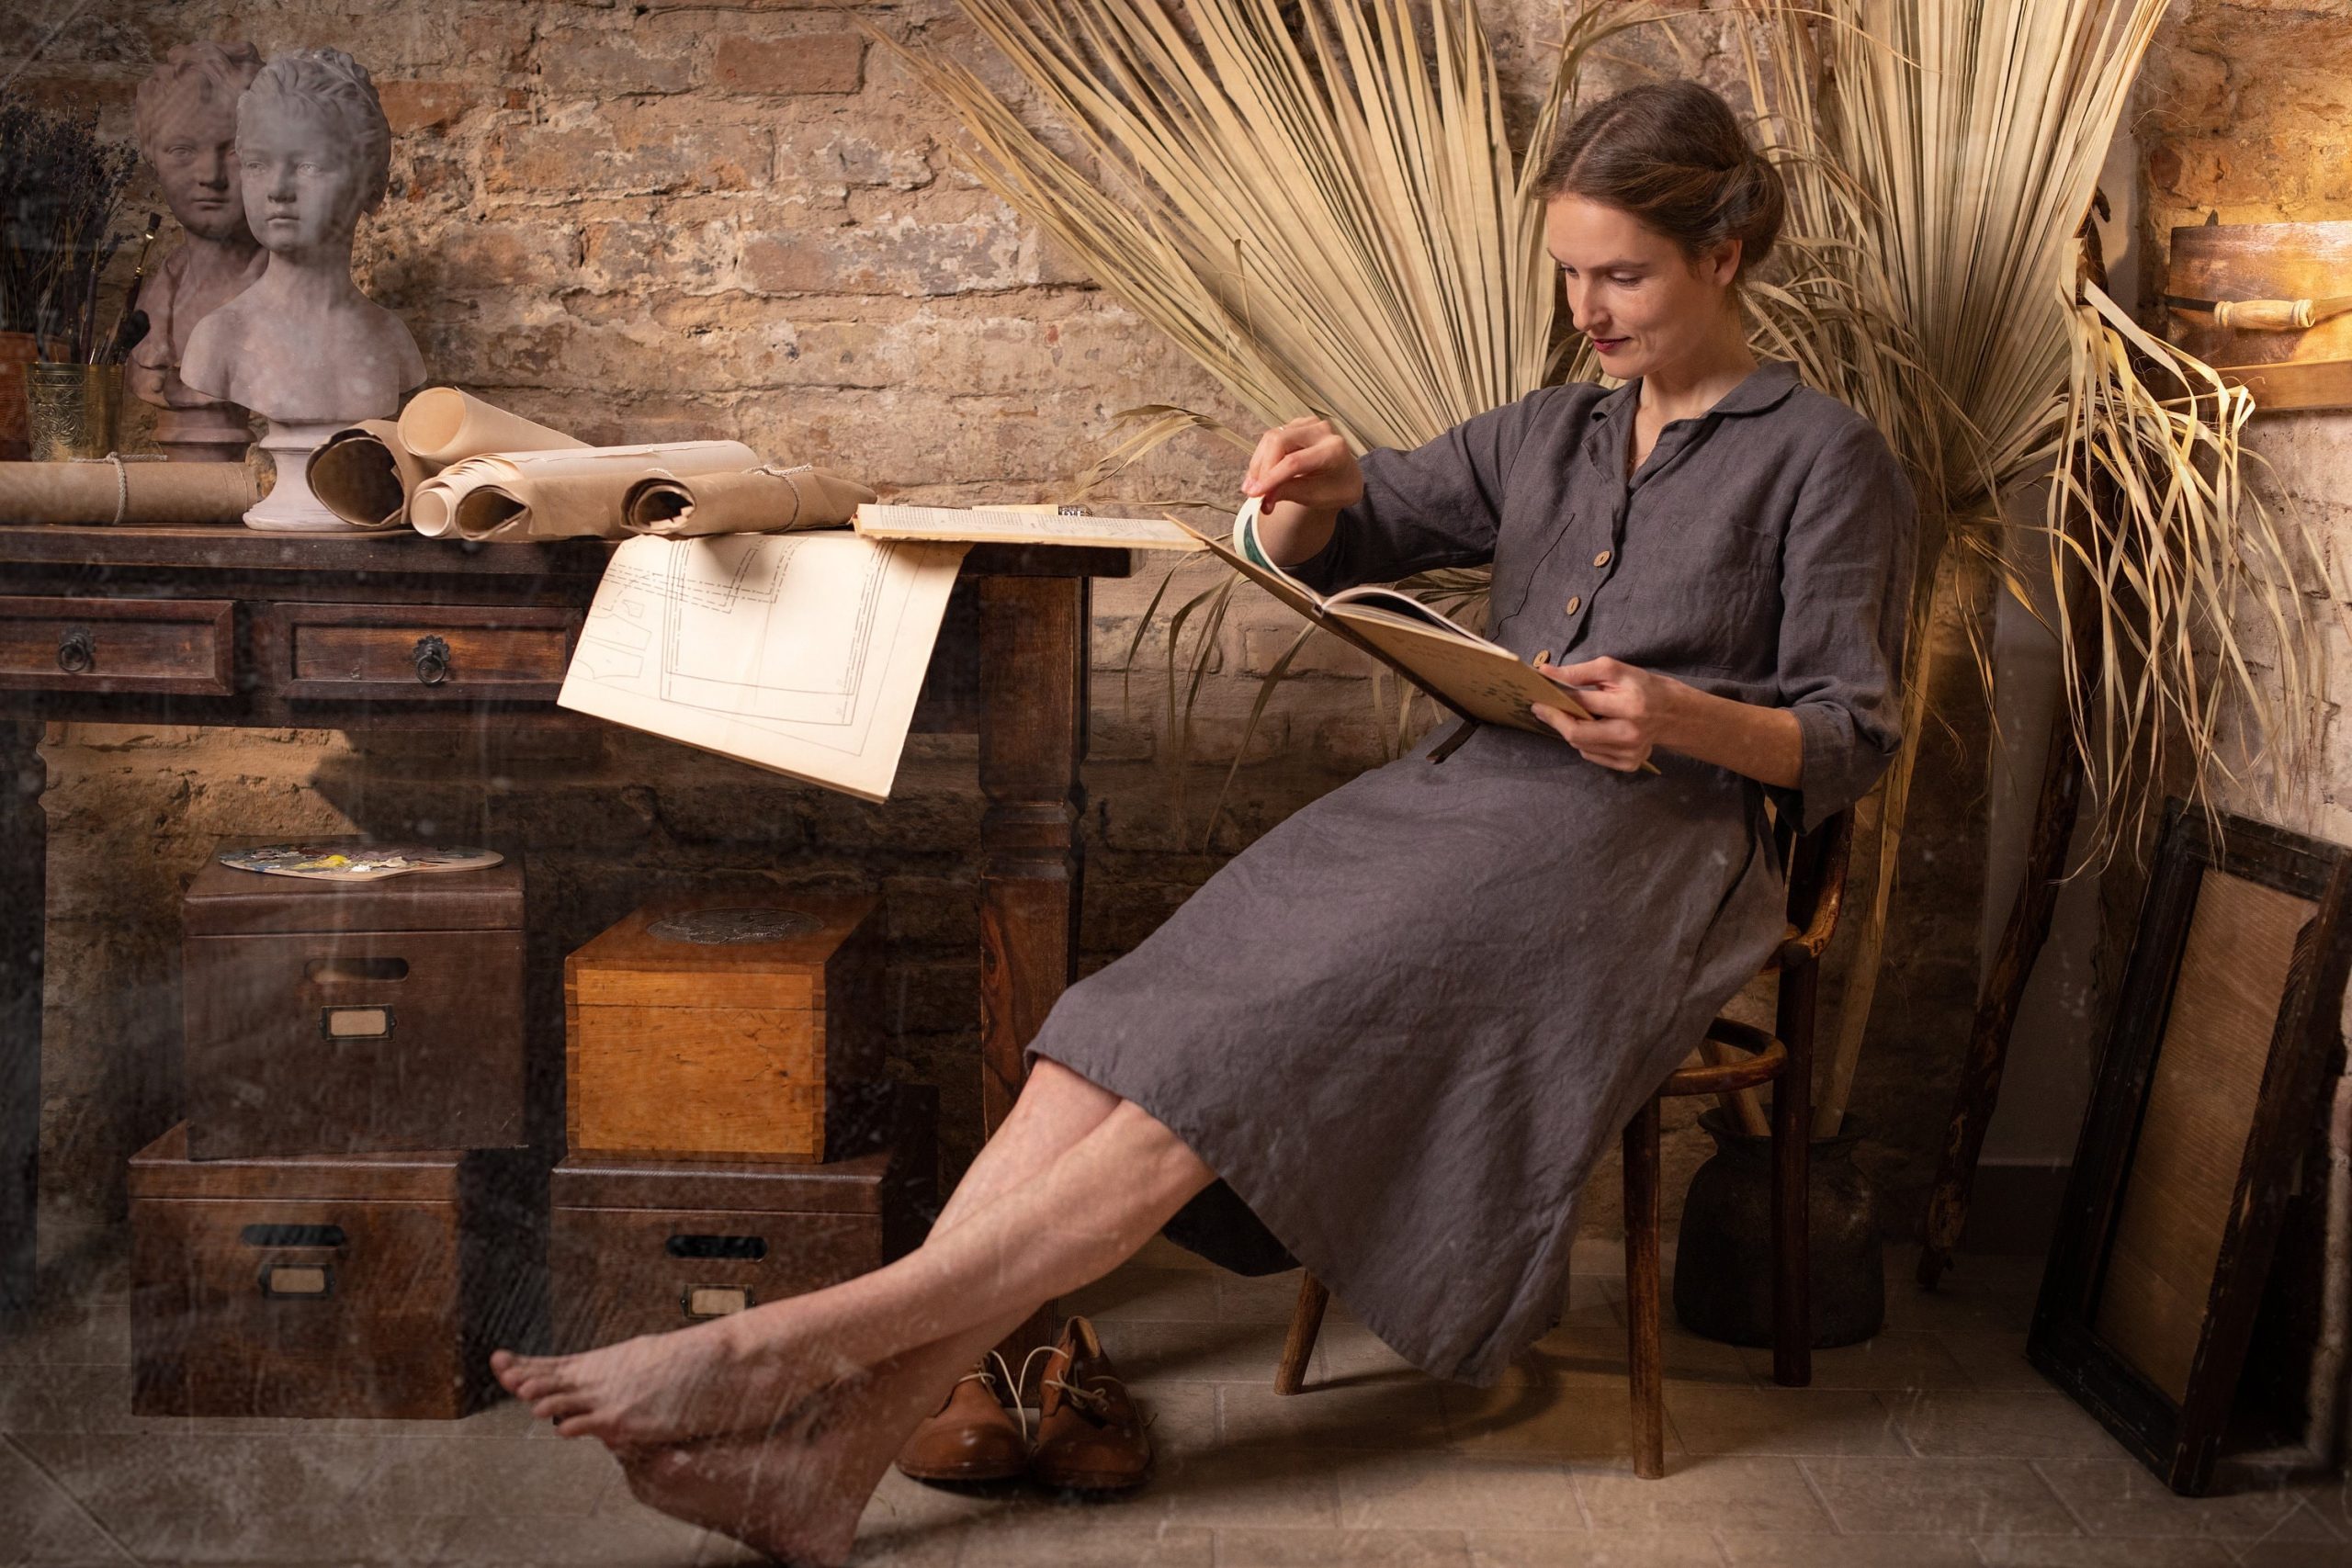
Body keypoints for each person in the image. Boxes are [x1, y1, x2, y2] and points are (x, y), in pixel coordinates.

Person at [491, 77, 1917, 1566]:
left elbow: (1850, 733)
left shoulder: (1824, 458)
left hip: (1649, 851)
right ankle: (825, 1459)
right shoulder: (1549, 432)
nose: (1588, 308)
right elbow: (1352, 525)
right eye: (1570, 272)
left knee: (1229, 1063)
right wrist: (1304, 494)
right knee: (1114, 1022)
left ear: (1726, 255)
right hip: (1458, 805)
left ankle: (783, 1354)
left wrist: (1684, 715)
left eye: (1621, 275)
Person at [179, 48, 424, 424]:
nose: (278, 189)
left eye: (309, 166)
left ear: (373, 188)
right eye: (257, 164)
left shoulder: (391, 341)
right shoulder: (221, 341)